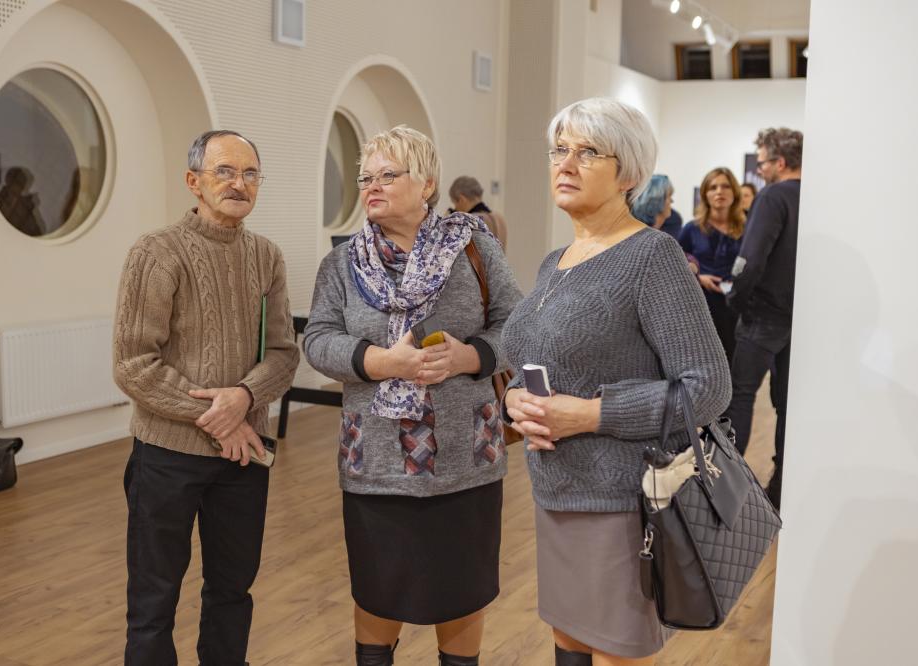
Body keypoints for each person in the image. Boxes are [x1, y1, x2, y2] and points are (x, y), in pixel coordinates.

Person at [501, 97, 731, 666]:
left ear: (627, 173)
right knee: (568, 644)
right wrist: (513, 400)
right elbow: (532, 356)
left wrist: (590, 414)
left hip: (622, 502)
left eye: (587, 153)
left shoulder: (652, 256)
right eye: (559, 150)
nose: (565, 164)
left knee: (611, 650)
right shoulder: (556, 260)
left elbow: (708, 386)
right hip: (556, 492)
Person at [303, 126, 522, 666]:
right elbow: (317, 340)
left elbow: (518, 326)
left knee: (462, 590)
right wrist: (380, 362)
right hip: (376, 464)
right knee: (379, 589)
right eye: (364, 178)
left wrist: (469, 357)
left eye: (386, 175)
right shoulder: (342, 263)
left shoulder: (474, 247)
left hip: (465, 462)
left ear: (426, 184)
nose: (371, 186)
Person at [113, 130, 300, 665]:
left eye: (250, 173)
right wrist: (223, 416)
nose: (239, 184)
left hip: (242, 459)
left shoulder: (266, 256)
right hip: (167, 456)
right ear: (193, 181)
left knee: (232, 593)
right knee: (153, 602)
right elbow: (133, 363)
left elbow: (284, 352)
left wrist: (243, 396)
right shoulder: (156, 252)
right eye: (225, 171)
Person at [725, 127, 803, 510]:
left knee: (740, 396)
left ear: (780, 162)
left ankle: (727, 491)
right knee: (788, 406)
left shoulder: (773, 196)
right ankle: (780, 491)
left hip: (763, 315)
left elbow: (750, 259)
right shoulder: (818, 197)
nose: (759, 170)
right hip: (800, 318)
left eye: (762, 163)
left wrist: (736, 299)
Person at [678, 167, 746, 362]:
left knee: (734, 360)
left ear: (734, 192)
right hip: (701, 305)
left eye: (725, 186)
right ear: (705, 194)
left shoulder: (746, 228)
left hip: (734, 305)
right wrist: (698, 278)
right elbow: (676, 265)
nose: (719, 192)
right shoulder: (691, 229)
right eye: (713, 187)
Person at [448, 175, 509, 250]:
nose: (455, 208)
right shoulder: (499, 218)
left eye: (455, 203)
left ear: (461, 199)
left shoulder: (469, 222)